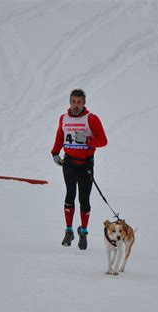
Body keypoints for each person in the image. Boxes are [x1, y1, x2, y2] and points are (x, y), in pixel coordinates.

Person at [51, 89, 108, 250]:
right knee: (69, 195)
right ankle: (69, 231)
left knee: (84, 199)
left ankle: (83, 232)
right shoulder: (64, 118)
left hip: (85, 165)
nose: (76, 105)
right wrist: (55, 152)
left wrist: (88, 140)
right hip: (69, 163)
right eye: (73, 102)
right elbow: (60, 136)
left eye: (79, 102)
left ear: (84, 103)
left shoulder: (91, 119)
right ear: (69, 102)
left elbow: (103, 141)